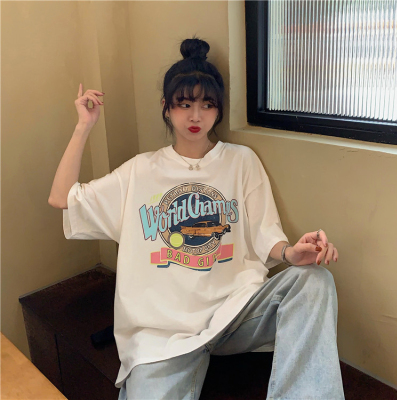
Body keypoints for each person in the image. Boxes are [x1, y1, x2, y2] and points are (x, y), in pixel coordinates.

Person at [48, 37, 345, 400]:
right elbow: (62, 198)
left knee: (315, 281)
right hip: (163, 337)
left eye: (207, 105)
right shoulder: (139, 171)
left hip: (235, 314)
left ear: (218, 110)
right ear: (166, 107)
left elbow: (264, 233)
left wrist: (290, 254)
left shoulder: (241, 161)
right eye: (184, 104)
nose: (195, 116)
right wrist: (84, 126)